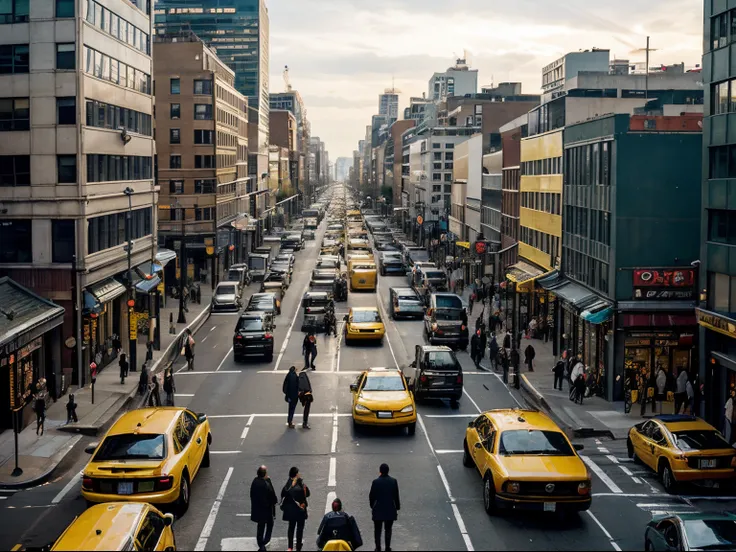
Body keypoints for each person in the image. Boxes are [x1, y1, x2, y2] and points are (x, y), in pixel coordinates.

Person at [369, 463, 400, 552]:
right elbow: (396, 496)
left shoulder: (375, 482)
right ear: (388, 471)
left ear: (380, 471)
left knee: (377, 530)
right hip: (390, 509)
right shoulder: (393, 481)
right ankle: (387, 547)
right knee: (388, 529)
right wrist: (397, 507)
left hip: (378, 509)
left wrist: (372, 506)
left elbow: (371, 496)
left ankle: (378, 547)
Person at [282, 466, 310, 552]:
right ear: (296, 474)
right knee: (299, 529)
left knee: (291, 528)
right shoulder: (301, 484)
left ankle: (290, 547)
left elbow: (283, 494)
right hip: (300, 510)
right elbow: (307, 494)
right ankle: (298, 546)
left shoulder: (287, 485)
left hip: (291, 511)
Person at [250, 465, 278, 552]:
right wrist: (269, 481)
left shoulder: (254, 482)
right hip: (267, 510)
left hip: (257, 510)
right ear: (264, 474)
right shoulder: (266, 484)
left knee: (260, 527)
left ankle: (261, 543)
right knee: (270, 525)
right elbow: (272, 495)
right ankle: (263, 543)